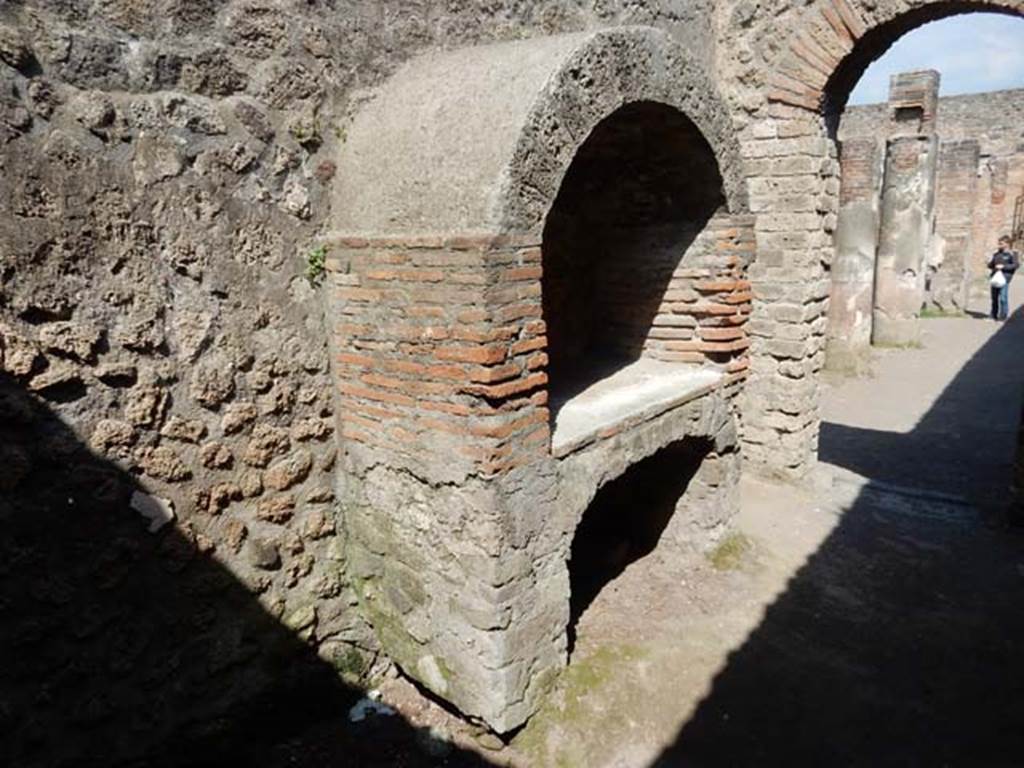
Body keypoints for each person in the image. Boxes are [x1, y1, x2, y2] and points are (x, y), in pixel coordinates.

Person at [987, 235, 1019, 321]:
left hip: (1005, 278)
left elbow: (1015, 265)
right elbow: (991, 265)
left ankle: (1003, 316)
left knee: (1003, 298)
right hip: (995, 277)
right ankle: (993, 315)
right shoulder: (997, 254)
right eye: (999, 243)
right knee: (994, 297)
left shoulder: (1012, 254)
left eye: (1001, 243)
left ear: (1007, 244)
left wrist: (1003, 266)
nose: (999, 245)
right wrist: (990, 263)